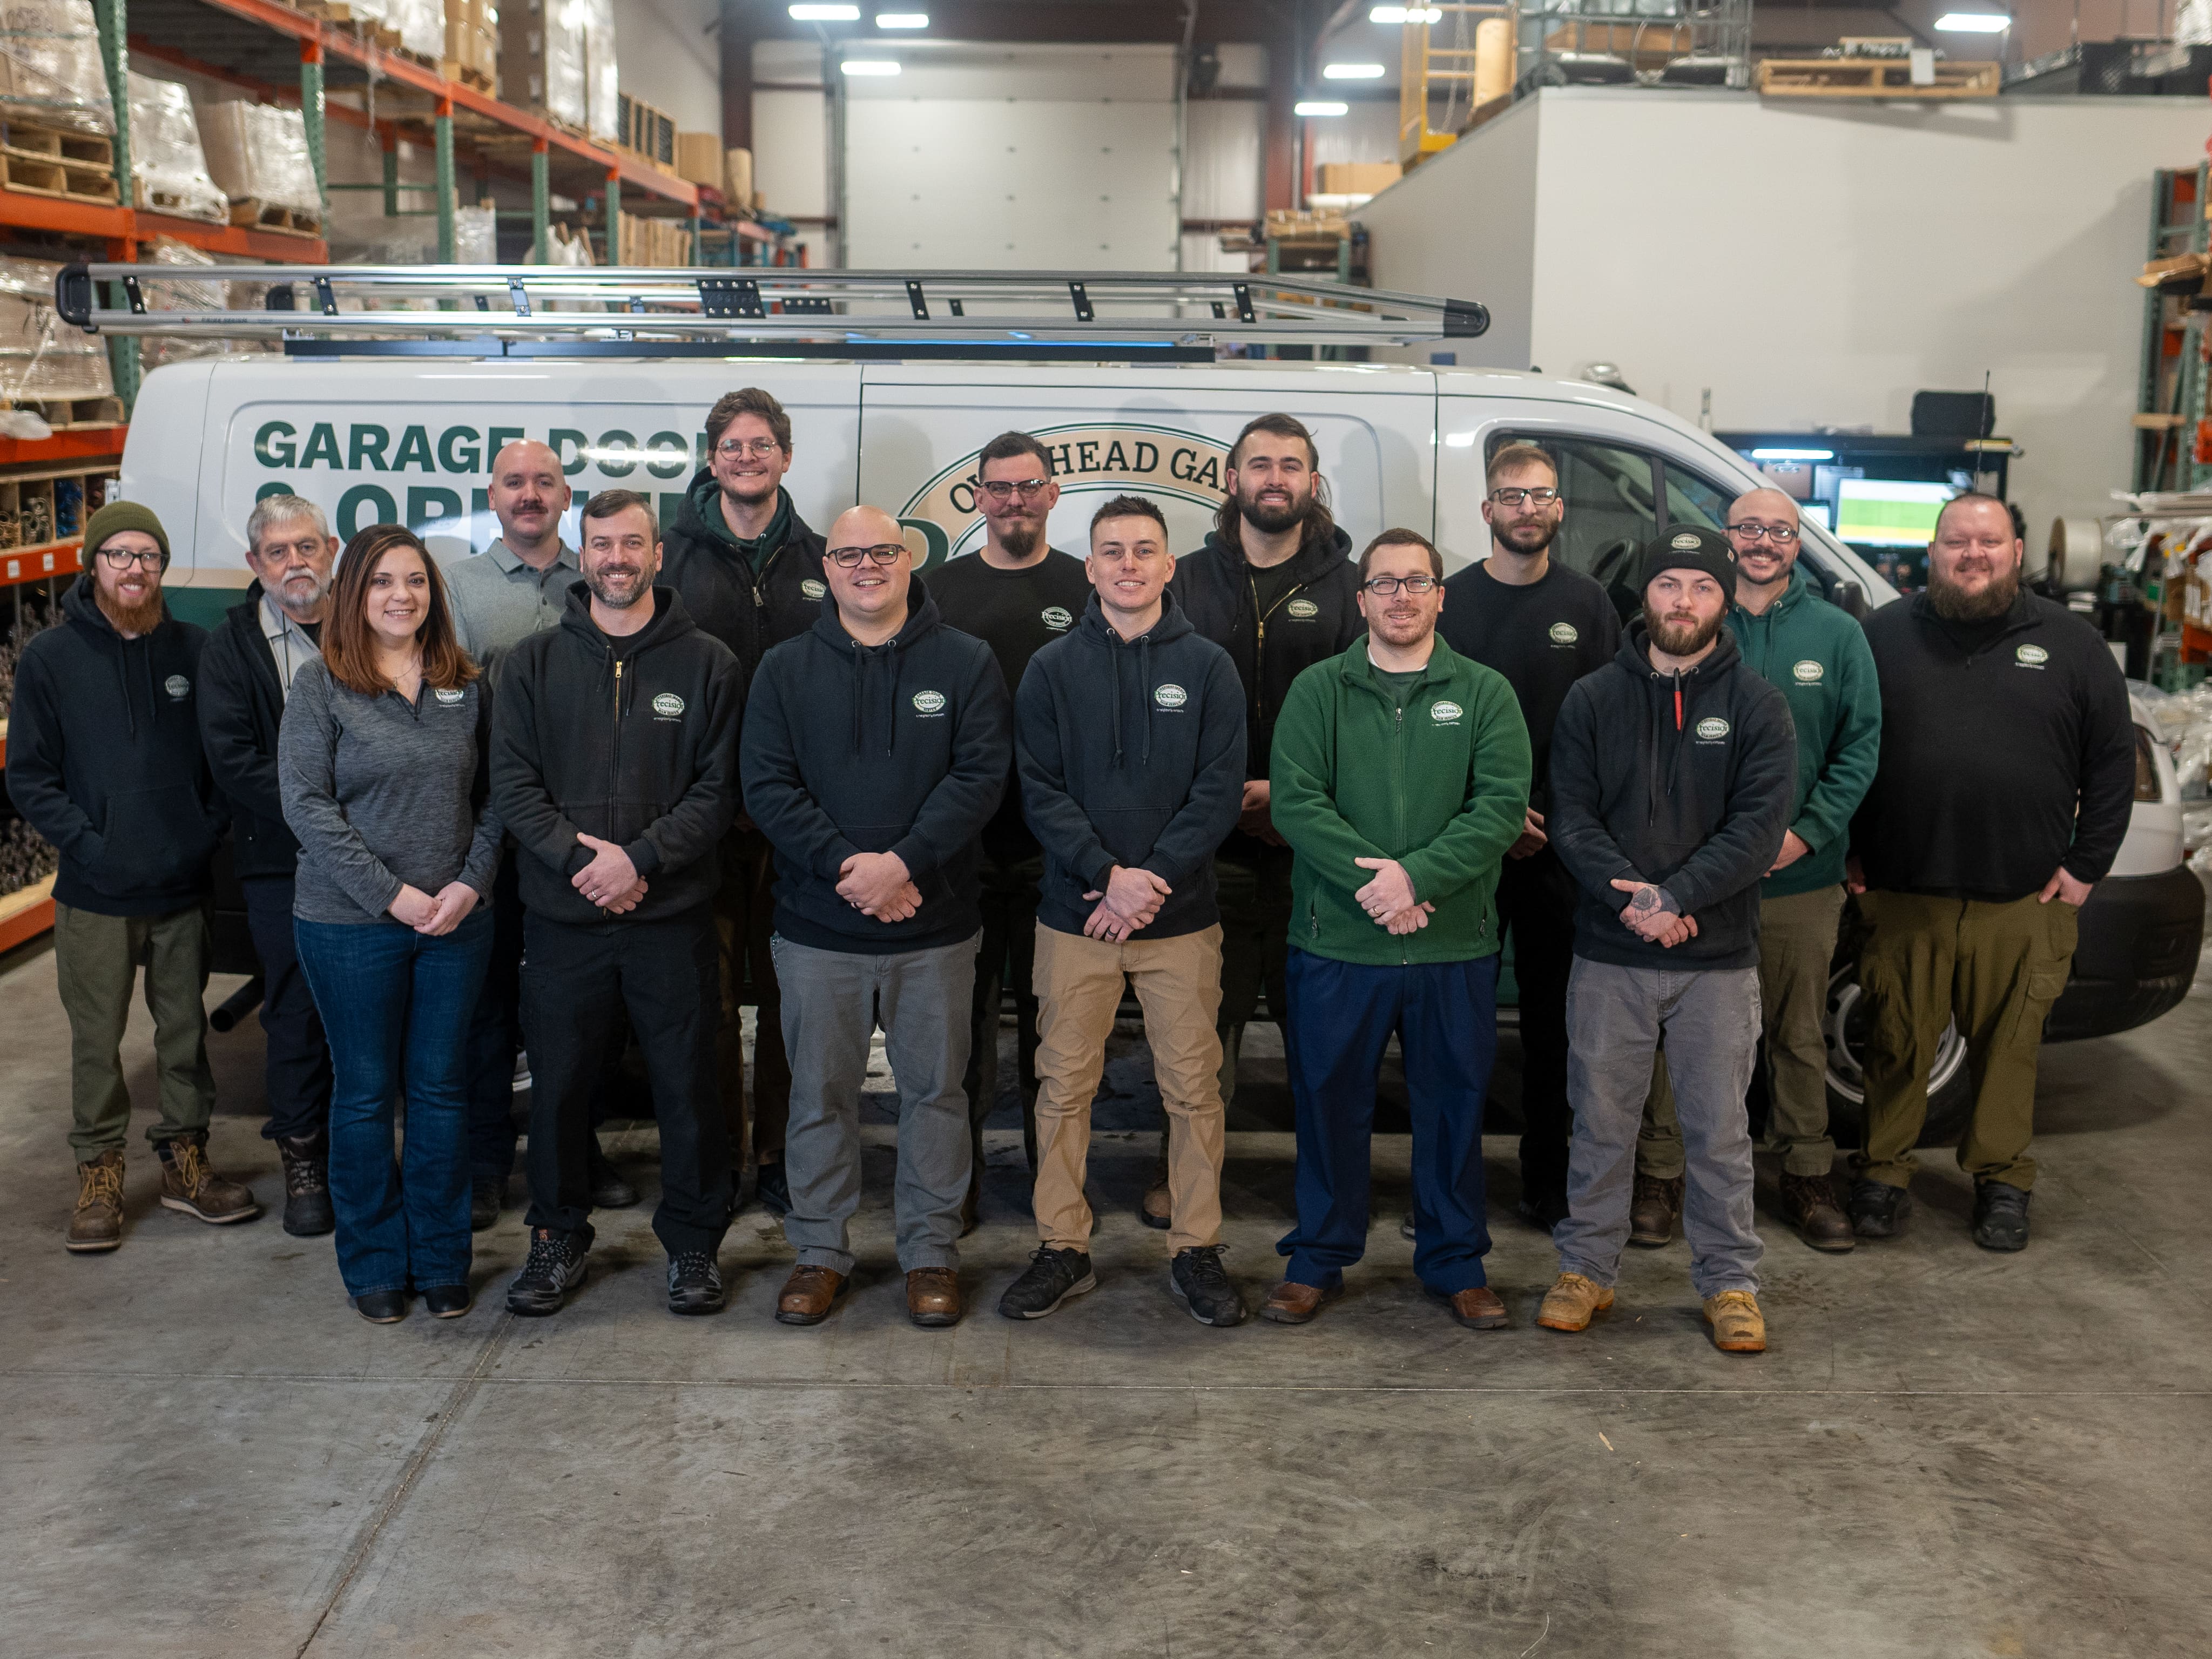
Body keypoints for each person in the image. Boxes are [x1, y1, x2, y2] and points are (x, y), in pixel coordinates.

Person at [739, 505, 1009, 1329]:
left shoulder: (966, 661)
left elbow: (980, 777)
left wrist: (904, 864)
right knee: (820, 1097)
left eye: (882, 551)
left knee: (937, 1094)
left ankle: (930, 1252)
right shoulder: (785, 669)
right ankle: (820, 1251)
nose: (867, 566)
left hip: (937, 925)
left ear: (907, 558)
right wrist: (852, 870)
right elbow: (768, 788)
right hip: (820, 929)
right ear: (828, 566)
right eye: (849, 554)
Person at [1846, 492, 2134, 1252]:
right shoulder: (1880, 637)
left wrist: (2085, 868)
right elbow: (1841, 749)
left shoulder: (2072, 646)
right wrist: (1846, 848)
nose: (1973, 556)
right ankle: (1883, 1172)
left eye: (1989, 543)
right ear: (1931, 553)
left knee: (2010, 1049)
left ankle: (2003, 1180)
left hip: (2023, 899)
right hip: (1905, 893)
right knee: (1898, 1042)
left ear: (2017, 552)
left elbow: (2111, 762)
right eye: (1957, 543)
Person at [1260, 529, 1530, 1328]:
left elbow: (1499, 807)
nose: (1402, 596)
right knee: (1328, 1103)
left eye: (1418, 582)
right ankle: (1317, 1256)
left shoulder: (1485, 693)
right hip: (1340, 943)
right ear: (1362, 599)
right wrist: (1380, 886)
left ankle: (1455, 1261)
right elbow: (1297, 803)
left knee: (1451, 1107)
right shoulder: (1318, 691)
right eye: (1385, 584)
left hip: (1452, 944)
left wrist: (1420, 879)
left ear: (1442, 595)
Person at [1539, 527, 1796, 1355]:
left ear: (1724, 602)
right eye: (1668, 585)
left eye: (1702, 587)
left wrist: (1678, 897)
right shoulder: (1591, 700)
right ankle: (1587, 1269)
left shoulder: (1759, 706)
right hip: (1612, 954)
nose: (1683, 601)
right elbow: (1571, 819)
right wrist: (1637, 905)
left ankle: (1730, 1283)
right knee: (1601, 1121)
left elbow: (1758, 830)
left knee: (1719, 1130)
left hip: (1714, 961)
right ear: (1643, 596)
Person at [492, 490, 743, 1317]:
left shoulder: (708, 663)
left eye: (632, 543)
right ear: (583, 550)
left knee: (689, 1086)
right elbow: (514, 787)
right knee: (560, 1085)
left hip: (670, 919)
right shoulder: (530, 663)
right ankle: (557, 1236)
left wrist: (639, 860)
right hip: (564, 921)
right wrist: (578, 862)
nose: (617, 559)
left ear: (657, 554)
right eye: (602, 544)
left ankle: (696, 1245)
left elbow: (718, 792)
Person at [997, 495, 1247, 1326]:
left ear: (1170, 566)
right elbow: (1040, 790)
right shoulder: (1050, 669)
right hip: (1077, 919)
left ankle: (1197, 1249)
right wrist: (1108, 876)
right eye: (1113, 551)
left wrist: (1147, 885)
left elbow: (1216, 796)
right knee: (1063, 1088)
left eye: (1145, 550)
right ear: (1091, 568)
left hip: (1181, 920)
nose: (1130, 564)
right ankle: (1062, 1246)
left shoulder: (1209, 665)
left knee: (1194, 1091)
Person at [1633, 489, 1881, 1252]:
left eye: (1780, 530)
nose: (1764, 542)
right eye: (1748, 528)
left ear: (1797, 540)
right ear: (1726, 537)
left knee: (1796, 1033)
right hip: (1696, 883)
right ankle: (1662, 1174)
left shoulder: (1837, 636)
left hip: (1797, 881)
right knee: (1676, 1035)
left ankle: (1807, 1170)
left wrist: (1807, 835)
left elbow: (1860, 747)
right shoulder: (1686, 625)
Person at [9, 501, 255, 1252]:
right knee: (98, 1042)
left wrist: (200, 833)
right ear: (94, 564)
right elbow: (30, 776)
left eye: (148, 555)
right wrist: (92, 845)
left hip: (181, 886)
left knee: (183, 1037)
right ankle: (99, 1174)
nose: (134, 568)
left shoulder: (194, 647)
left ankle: (186, 1164)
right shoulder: (51, 659)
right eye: (119, 554)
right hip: (96, 892)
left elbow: (223, 759)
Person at [280, 525, 503, 1324]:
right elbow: (305, 804)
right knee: (367, 1095)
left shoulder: (463, 684)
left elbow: (495, 799)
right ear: (353, 594)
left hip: (455, 922)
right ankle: (375, 1263)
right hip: (349, 924)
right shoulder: (321, 686)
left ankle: (442, 1260)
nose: (401, 596)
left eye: (415, 581)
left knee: (443, 1093)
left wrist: (471, 885)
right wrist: (392, 896)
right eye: (381, 582)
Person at [1165, 412, 1360, 1222]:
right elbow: (1160, 713)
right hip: (1204, 852)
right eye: (1258, 464)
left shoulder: (1355, 588)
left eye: (1291, 465)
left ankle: (1328, 1190)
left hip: (1318, 854)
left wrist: (1293, 800)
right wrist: (1219, 802)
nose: (1273, 478)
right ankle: (1188, 1182)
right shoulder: (1184, 580)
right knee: (1199, 1037)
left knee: (1323, 1037)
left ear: (1313, 483)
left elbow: (1367, 714)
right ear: (1232, 481)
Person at [442, 440, 635, 1230]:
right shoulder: (458, 588)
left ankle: (577, 1151)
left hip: (582, 841)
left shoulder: (597, 581)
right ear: (492, 496)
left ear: (566, 498)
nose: (530, 495)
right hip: (491, 835)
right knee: (487, 1009)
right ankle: (487, 1162)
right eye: (514, 483)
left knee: (577, 1011)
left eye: (545, 483)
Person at [1437, 441, 1620, 1232]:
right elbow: (1429, 730)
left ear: (1560, 509)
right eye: (1511, 497)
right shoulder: (1447, 602)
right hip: (1462, 849)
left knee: (1553, 1031)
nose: (1527, 509)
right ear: (1487, 510)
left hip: (1560, 853)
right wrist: (1490, 819)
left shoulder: (1589, 607)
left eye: (1541, 496)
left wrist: (1558, 822)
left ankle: (1547, 1179)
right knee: (1455, 1031)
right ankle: (1448, 1190)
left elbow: (1613, 733)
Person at [663, 387, 830, 1220]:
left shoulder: (823, 560)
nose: (747, 458)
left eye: (762, 445)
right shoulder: (670, 558)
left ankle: (780, 1157)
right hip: (702, 825)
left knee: (793, 1002)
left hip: (798, 828)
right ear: (712, 457)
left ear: (786, 457)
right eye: (732, 445)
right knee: (714, 1005)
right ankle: (724, 1155)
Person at [926, 431, 1091, 1228]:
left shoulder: (1088, 586)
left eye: (1029, 487)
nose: (1015, 500)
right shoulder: (940, 591)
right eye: (999, 488)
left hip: (1060, 855)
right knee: (958, 1040)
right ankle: (955, 1190)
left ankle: (1052, 1191)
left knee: (1054, 1041)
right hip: (961, 854)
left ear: (1052, 493)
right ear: (979, 497)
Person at [197, 493, 339, 1236]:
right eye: (278, 552)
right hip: (281, 860)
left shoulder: (370, 624)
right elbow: (234, 762)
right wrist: (324, 814)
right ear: (255, 564)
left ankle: (359, 1157)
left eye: (307, 547)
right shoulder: (233, 648)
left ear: (333, 549)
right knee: (296, 1008)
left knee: (378, 1009)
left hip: (381, 857)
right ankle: (304, 1158)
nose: (296, 563)